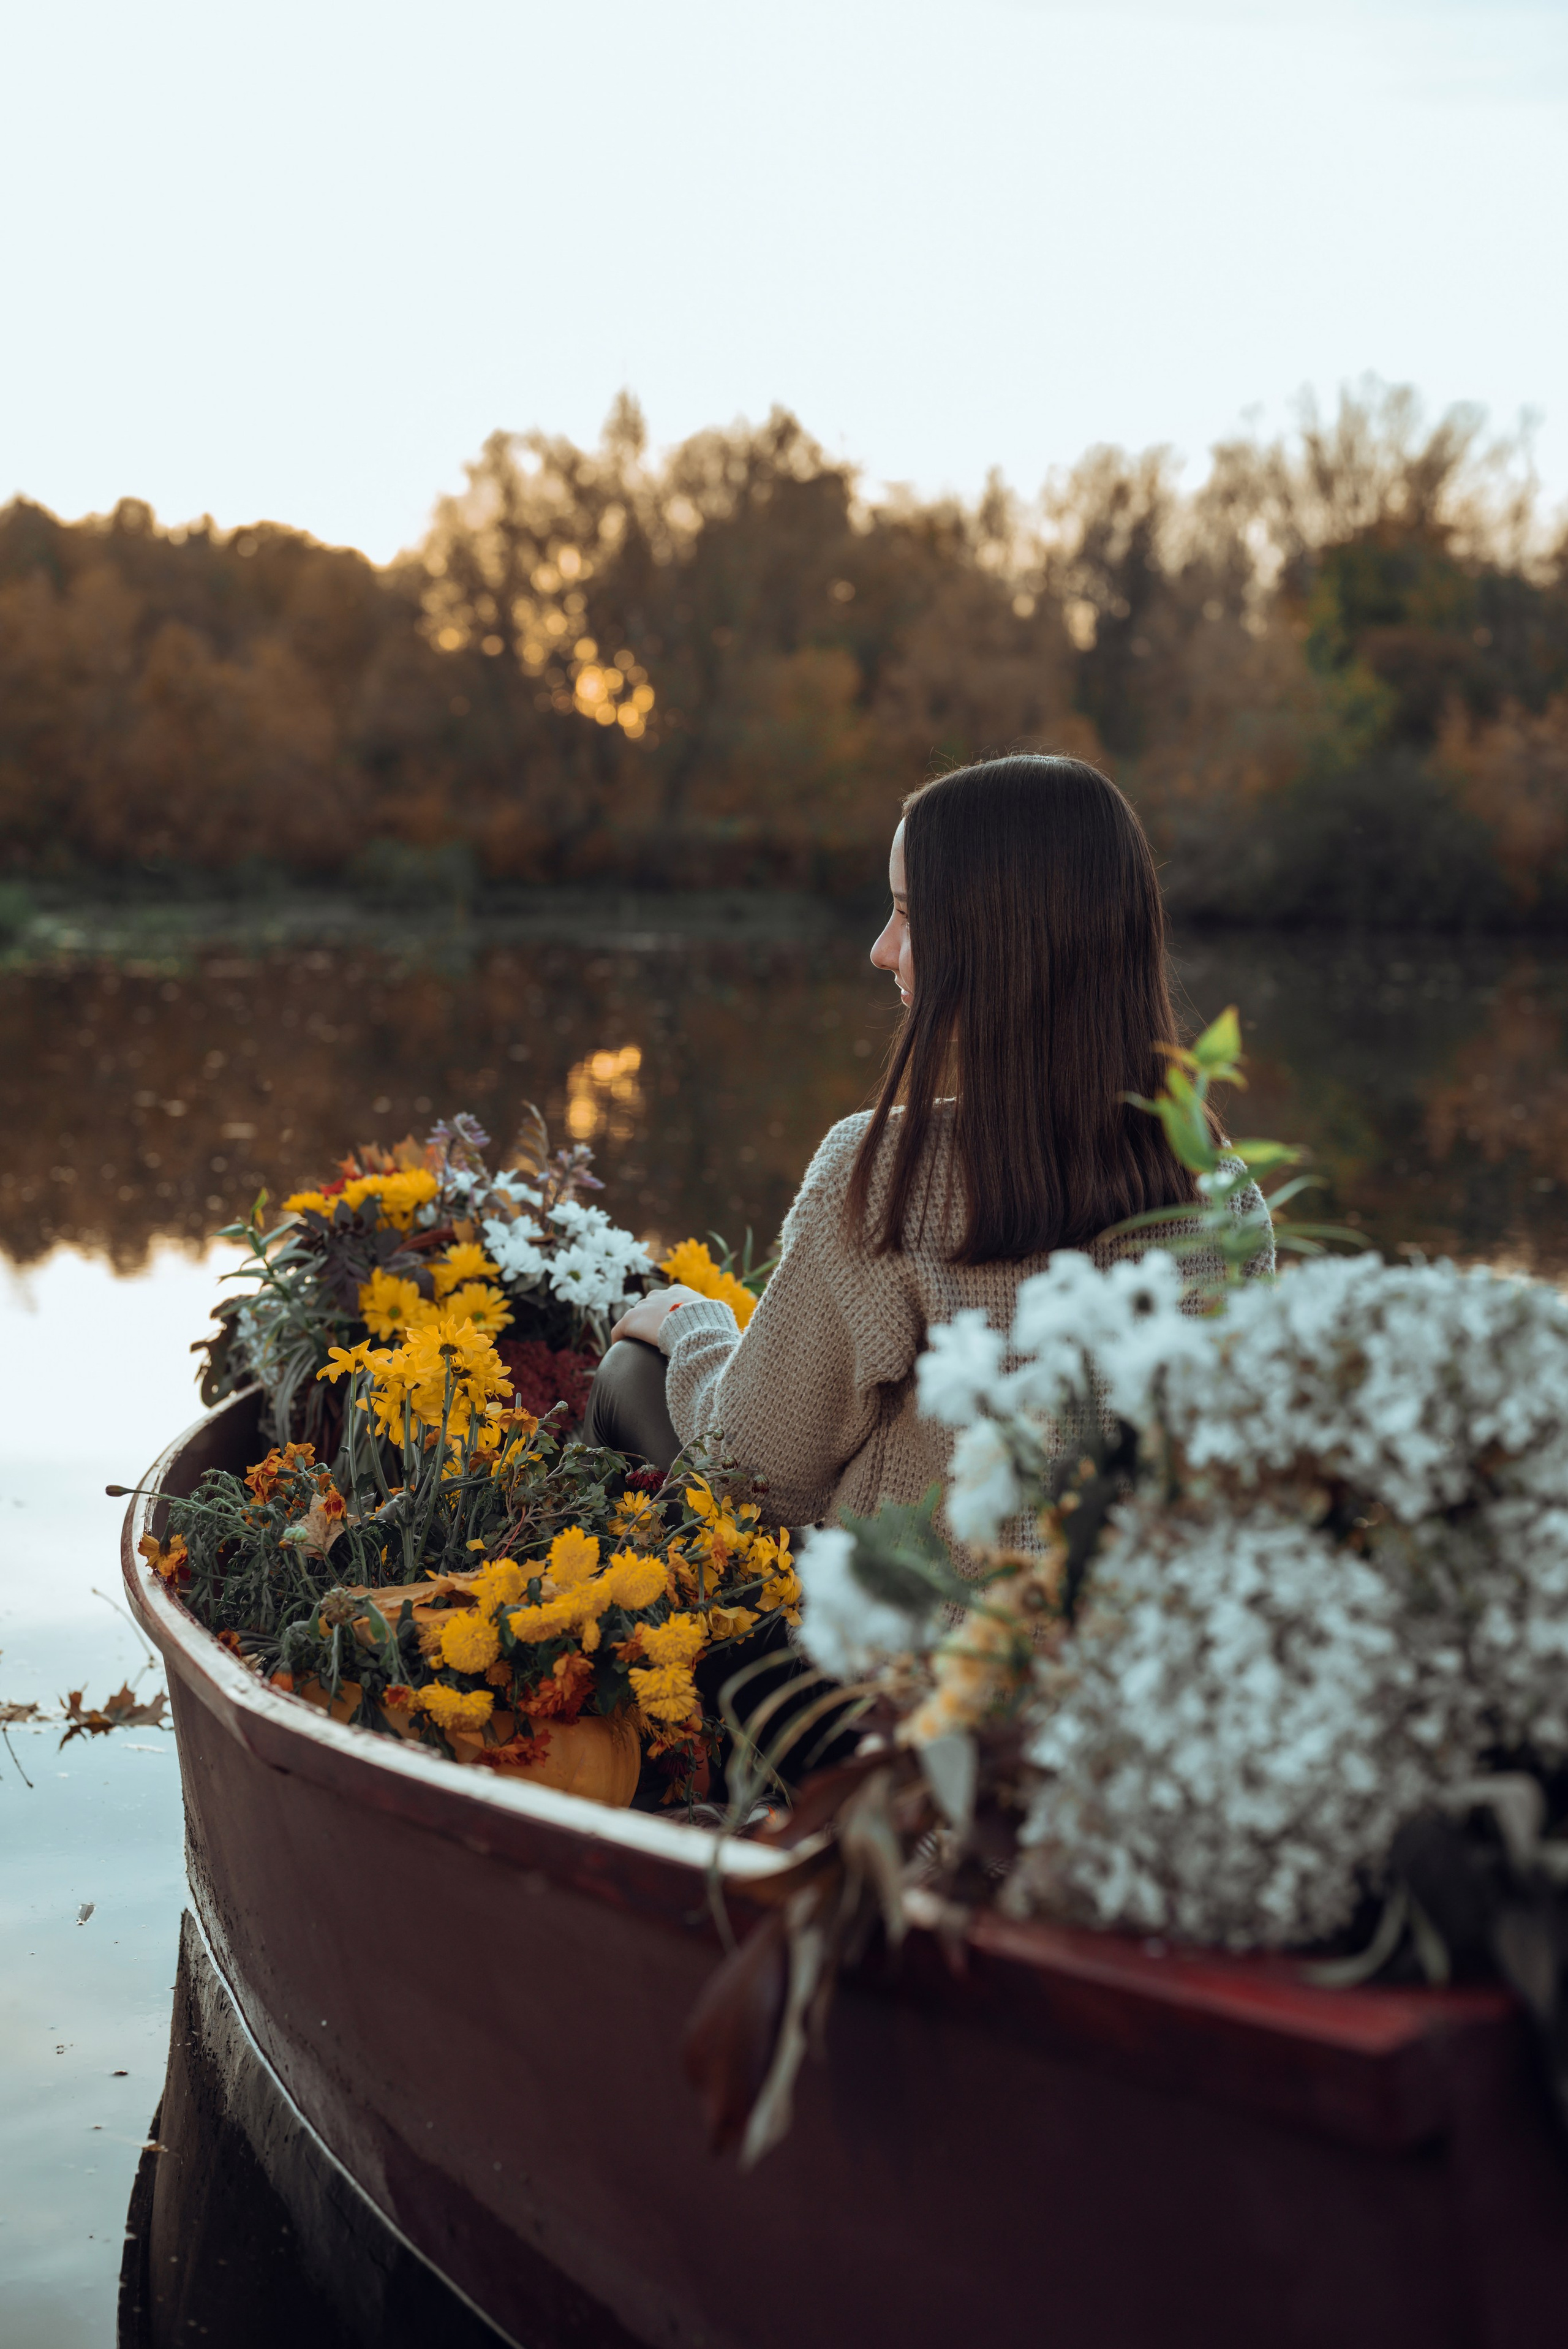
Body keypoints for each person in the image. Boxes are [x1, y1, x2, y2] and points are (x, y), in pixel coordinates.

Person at [583, 754, 1272, 1547]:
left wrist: (690, 1324)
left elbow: (756, 1473)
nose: (882, 950)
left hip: (897, 1649)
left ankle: (619, 1640)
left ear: (998, 940)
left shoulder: (887, 1170)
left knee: (630, 1375)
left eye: (910, 915)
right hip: (1117, 1650)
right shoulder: (1223, 1191)